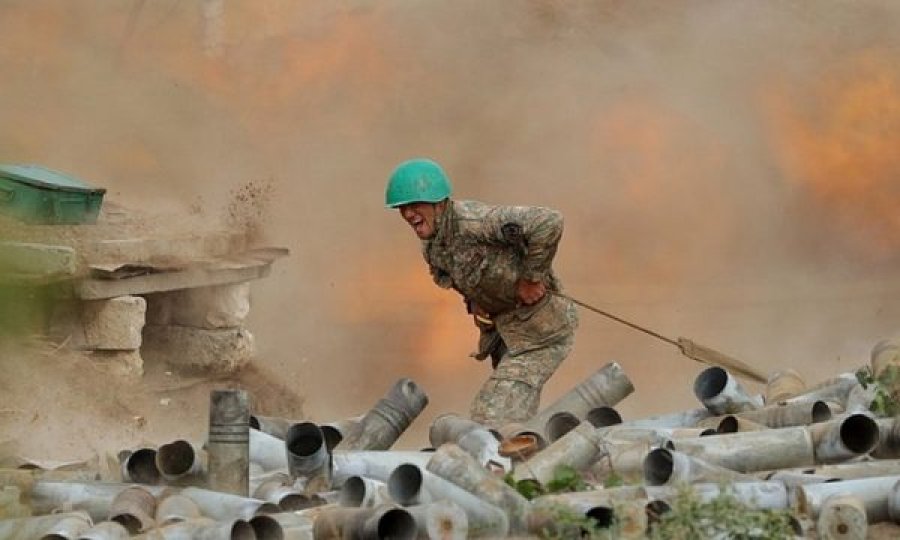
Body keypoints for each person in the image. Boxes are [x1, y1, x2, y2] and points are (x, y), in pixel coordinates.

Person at [385, 157, 578, 428]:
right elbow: (463, 276)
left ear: (439, 203)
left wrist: (531, 279)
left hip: (540, 332)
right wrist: (476, 301)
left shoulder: (476, 222)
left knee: (492, 417)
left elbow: (549, 222)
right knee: (513, 419)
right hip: (507, 336)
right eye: (402, 208)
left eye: (415, 205)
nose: (408, 214)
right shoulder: (434, 247)